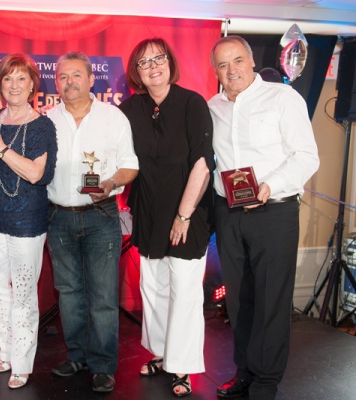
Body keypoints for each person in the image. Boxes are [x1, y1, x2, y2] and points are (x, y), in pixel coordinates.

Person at [208, 35, 319, 400]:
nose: (231, 70)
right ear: (216, 71)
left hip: (274, 212)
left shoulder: (283, 98)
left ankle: (266, 380)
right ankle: (245, 371)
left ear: (252, 61)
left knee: (271, 299)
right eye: (223, 64)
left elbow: (306, 156)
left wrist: (270, 185)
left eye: (238, 60)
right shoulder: (212, 107)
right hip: (229, 214)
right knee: (239, 300)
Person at [118, 38, 214, 398]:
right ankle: (161, 353)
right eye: (144, 62)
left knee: (184, 291)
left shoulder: (192, 104)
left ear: (170, 63)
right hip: (147, 210)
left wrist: (183, 216)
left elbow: (202, 163)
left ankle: (182, 366)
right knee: (154, 288)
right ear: (136, 72)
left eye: (159, 58)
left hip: (188, 212)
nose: (153, 66)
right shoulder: (130, 109)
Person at [46, 51, 139, 393]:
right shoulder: (47, 120)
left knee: (102, 295)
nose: (69, 82)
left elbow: (130, 165)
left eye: (76, 75)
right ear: (56, 82)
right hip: (58, 216)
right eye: (62, 76)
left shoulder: (113, 118)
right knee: (68, 293)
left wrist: (111, 183)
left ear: (90, 79)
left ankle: (102, 365)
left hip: (101, 215)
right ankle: (76, 356)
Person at [0, 53, 57, 390]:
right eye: (7, 78)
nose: (14, 85)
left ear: (32, 86)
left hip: (27, 221)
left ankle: (23, 363)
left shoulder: (42, 125)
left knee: (24, 293)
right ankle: (7, 351)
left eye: (21, 79)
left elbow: (36, 173)